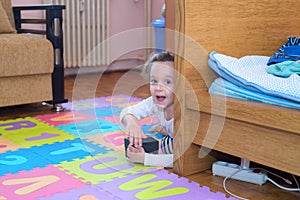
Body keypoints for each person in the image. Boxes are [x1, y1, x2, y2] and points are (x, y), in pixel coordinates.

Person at [120, 51, 174, 168]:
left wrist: (145, 158)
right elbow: (126, 112)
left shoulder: (185, 115)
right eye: (154, 81)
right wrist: (132, 123)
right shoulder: (154, 102)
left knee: (167, 147)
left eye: (167, 82)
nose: (158, 88)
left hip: (186, 141)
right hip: (174, 134)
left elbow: (183, 159)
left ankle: (164, 130)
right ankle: (165, 130)